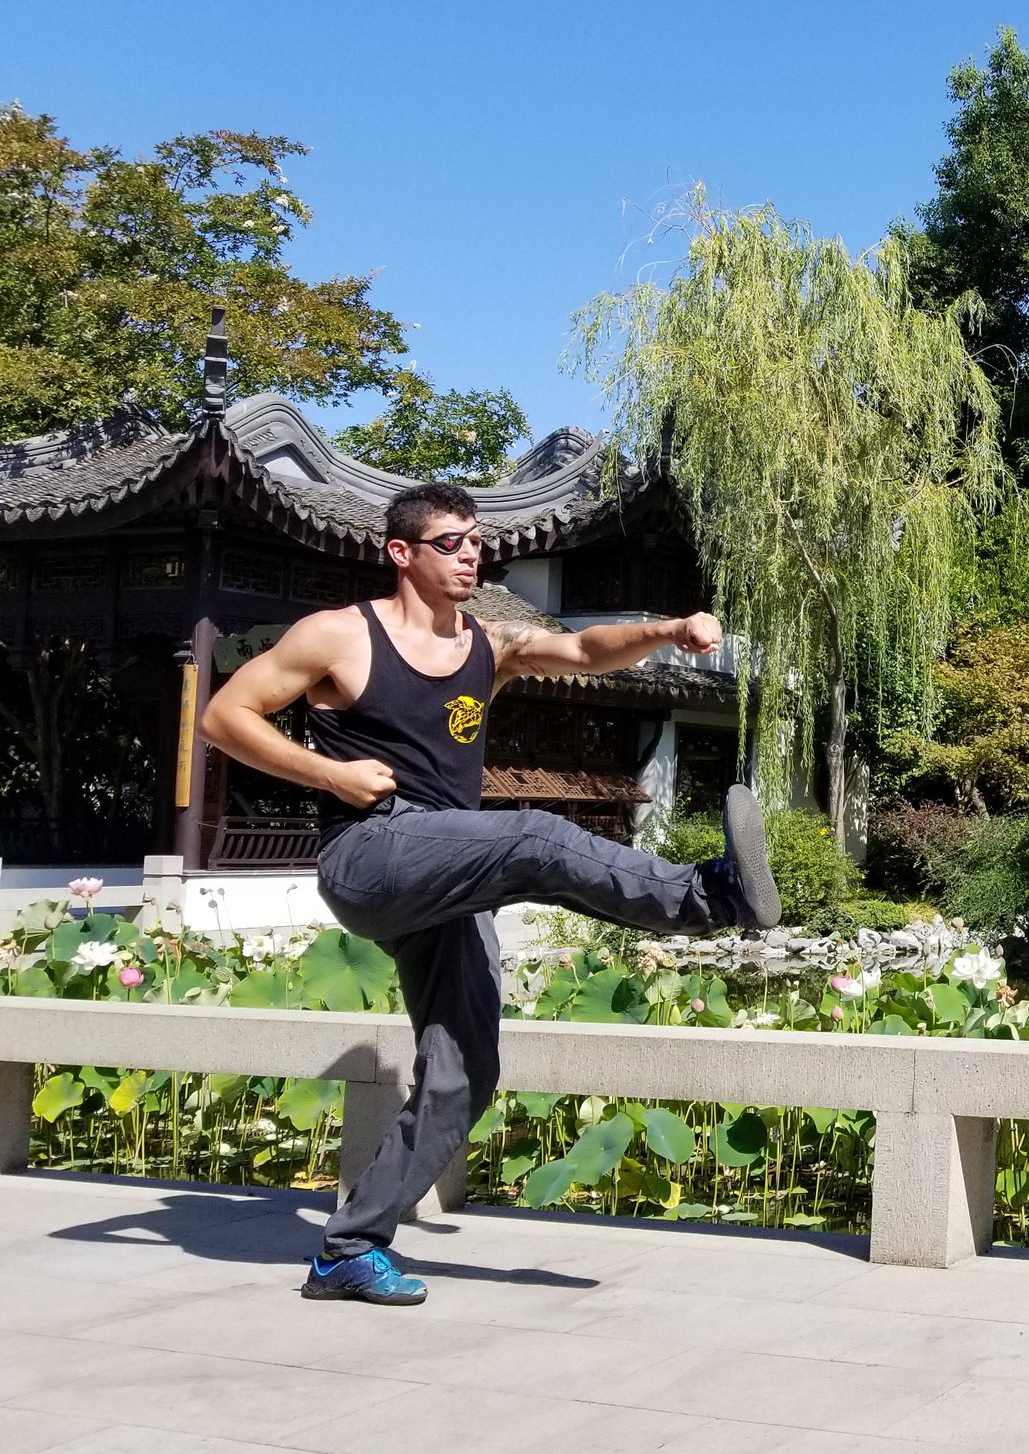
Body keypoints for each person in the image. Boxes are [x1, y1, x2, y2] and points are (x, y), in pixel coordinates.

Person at [202, 482, 781, 1307]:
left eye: (478, 541)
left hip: (451, 871)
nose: (471, 553)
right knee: (534, 836)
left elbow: (583, 652)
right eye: (450, 541)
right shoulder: (339, 635)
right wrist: (331, 772)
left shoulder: (491, 642)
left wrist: (672, 630)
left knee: (464, 1072)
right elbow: (227, 715)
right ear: (401, 552)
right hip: (369, 855)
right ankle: (711, 896)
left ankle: (348, 1247)